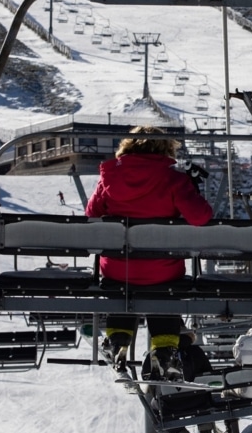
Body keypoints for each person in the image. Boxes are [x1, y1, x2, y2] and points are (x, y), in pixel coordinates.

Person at [86, 126, 213, 380]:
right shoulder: (174, 180)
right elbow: (200, 217)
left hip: (117, 270)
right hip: (162, 271)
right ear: (166, 149)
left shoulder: (109, 179)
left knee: (123, 285)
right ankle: (165, 348)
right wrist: (192, 188)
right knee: (163, 290)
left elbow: (92, 215)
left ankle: (117, 336)